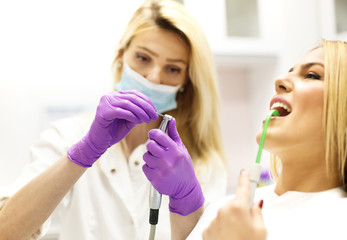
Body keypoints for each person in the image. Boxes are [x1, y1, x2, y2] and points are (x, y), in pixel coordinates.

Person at [0, 0, 227, 239]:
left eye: (173, 69)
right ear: (121, 54)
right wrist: (83, 153)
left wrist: (187, 200)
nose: (153, 77)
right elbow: (5, 231)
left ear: (186, 82)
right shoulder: (66, 136)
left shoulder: (202, 163)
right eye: (143, 58)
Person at [142, 39, 347, 240]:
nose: (280, 80)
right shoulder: (225, 209)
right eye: (289, 71)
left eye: (312, 75)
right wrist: (185, 201)